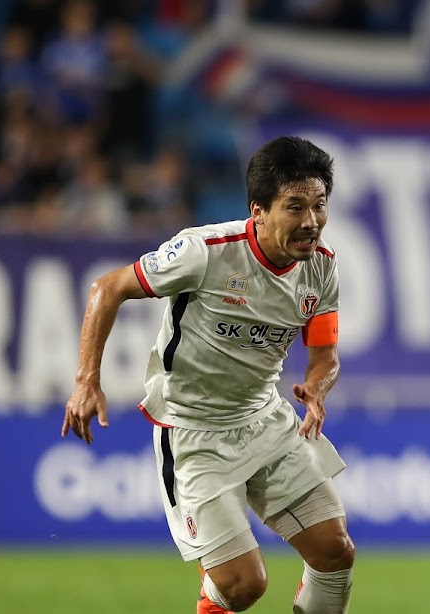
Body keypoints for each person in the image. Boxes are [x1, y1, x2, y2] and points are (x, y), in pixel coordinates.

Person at [61, 136, 354, 614]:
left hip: (265, 420)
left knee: (335, 552)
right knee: (243, 586)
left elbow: (325, 353)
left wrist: (318, 388)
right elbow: (106, 287)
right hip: (193, 431)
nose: (311, 222)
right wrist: (85, 379)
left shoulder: (320, 268)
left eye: (319, 206)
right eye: (295, 207)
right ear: (257, 210)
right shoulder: (206, 251)